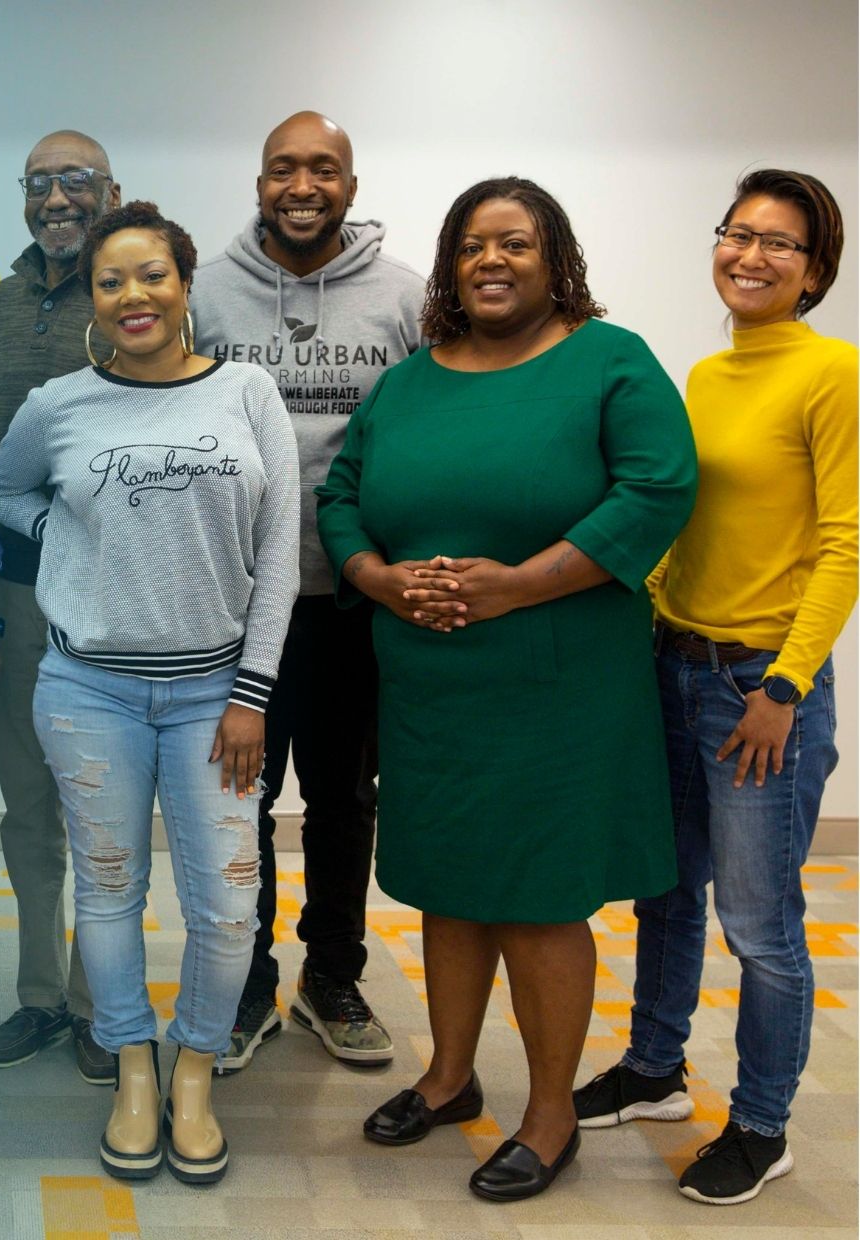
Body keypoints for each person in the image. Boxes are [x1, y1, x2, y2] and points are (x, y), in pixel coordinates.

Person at [317, 177, 697, 1202]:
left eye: (514, 244)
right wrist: (374, 577)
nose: (491, 261)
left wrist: (519, 585)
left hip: (557, 684)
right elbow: (341, 493)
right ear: (449, 265)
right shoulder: (408, 381)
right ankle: (445, 1076)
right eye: (473, 246)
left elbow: (659, 485)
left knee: (534, 898)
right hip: (433, 685)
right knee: (446, 882)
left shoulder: (606, 362)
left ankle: (548, 1111)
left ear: (552, 258)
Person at [0, 201, 301, 1185]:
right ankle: (131, 1063)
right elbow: (2, 491)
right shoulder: (56, 404)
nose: (132, 295)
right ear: (92, 296)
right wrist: (70, 545)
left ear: (182, 282)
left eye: (150, 275)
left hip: (217, 696)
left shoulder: (246, 393)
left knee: (226, 904)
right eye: (110, 280)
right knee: (110, 890)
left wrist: (252, 693)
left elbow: (280, 552)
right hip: (89, 693)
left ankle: (194, 1068)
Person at [573, 169, 855, 1207]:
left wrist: (784, 682)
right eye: (736, 233)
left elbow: (843, 544)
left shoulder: (832, 374)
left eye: (778, 243)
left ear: (813, 270)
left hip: (757, 688)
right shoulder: (703, 373)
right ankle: (653, 1069)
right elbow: (685, 522)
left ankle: (761, 1122)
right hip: (672, 660)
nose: (749, 255)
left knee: (758, 920)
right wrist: (638, 611)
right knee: (664, 887)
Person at [191, 110, 424, 1071]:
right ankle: (247, 979)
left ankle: (331, 973)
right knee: (235, 803)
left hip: (350, 603)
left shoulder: (406, 298)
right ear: (258, 185)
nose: (302, 185)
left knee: (341, 798)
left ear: (351, 188)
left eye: (322, 169)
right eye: (282, 168)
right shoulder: (201, 294)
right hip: (233, 604)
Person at [0, 130, 120, 1084]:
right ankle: (37, 996)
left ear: (112, 192)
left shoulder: (133, 294)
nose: (57, 199)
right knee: (27, 803)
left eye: (76, 181)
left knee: (97, 806)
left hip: (114, 599)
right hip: (22, 594)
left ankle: (94, 1001)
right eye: (40, 184)